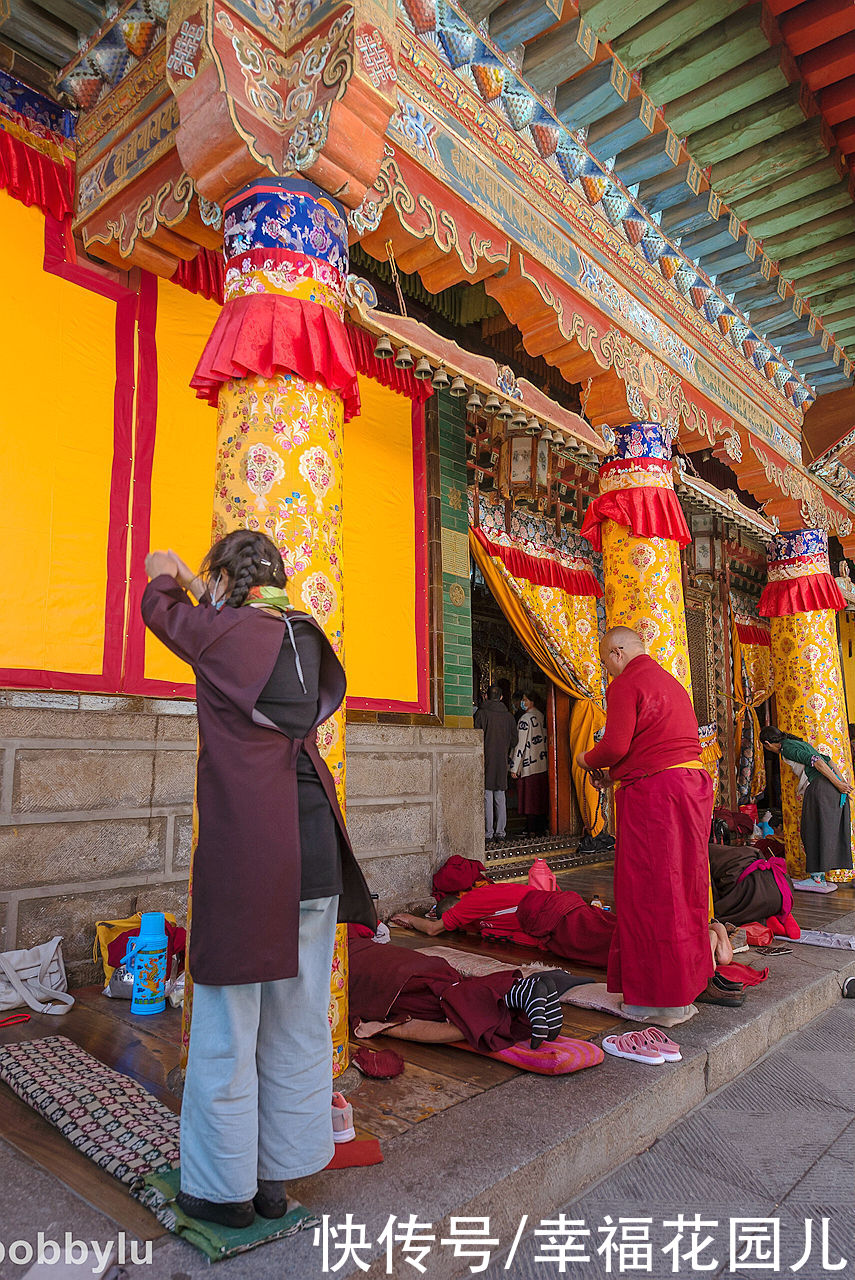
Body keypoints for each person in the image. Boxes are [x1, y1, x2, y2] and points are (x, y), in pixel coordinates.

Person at [141, 531, 375, 1229]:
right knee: (296, 1018)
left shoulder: (221, 634)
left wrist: (167, 570)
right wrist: (205, 580)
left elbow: (160, 604)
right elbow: (220, 616)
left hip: (252, 852)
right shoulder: (302, 632)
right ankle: (274, 1177)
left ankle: (220, 1192)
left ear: (223, 582)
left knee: (226, 1021)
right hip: (313, 844)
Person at [576, 627, 715, 1025]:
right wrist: (615, 775)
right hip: (688, 788)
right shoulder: (670, 682)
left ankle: (655, 1000)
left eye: (606, 663)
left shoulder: (628, 683)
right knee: (685, 884)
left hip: (658, 797)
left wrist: (586, 760)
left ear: (618, 652)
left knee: (651, 889)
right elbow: (653, 746)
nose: (608, 673)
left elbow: (616, 745)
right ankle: (684, 992)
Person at [347, 927, 568, 1051]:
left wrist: (382, 1028)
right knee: (447, 987)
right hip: (419, 962)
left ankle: (512, 993)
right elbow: (372, 928)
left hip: (368, 972)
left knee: (439, 1005)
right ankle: (514, 992)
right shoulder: (346, 924)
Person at [391, 881, 617, 968]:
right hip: (557, 913)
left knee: (598, 939)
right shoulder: (479, 914)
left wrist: (410, 919)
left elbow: (433, 929)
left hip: (554, 915)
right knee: (605, 936)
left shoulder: (469, 903)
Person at [759, 726, 853, 887]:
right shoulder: (797, 743)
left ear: (767, 743)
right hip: (831, 786)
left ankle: (817, 879)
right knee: (824, 829)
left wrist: (838, 784)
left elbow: (817, 762)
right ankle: (820, 877)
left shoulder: (786, 748)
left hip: (820, 787)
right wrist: (840, 783)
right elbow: (828, 759)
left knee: (812, 830)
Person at [474, 685, 518, 842]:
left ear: (486, 696)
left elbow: (475, 738)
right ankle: (500, 832)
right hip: (501, 760)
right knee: (500, 796)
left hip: (485, 759)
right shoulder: (508, 717)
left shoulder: (481, 713)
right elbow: (515, 740)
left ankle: (488, 833)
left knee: (487, 795)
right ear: (501, 698)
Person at [511, 689, 549, 834]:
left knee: (529, 799)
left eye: (525, 700)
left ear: (532, 701)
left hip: (528, 764)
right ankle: (540, 827)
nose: (523, 702)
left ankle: (531, 827)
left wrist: (514, 767)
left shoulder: (525, 719)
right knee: (539, 797)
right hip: (542, 764)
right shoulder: (542, 716)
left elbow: (520, 745)